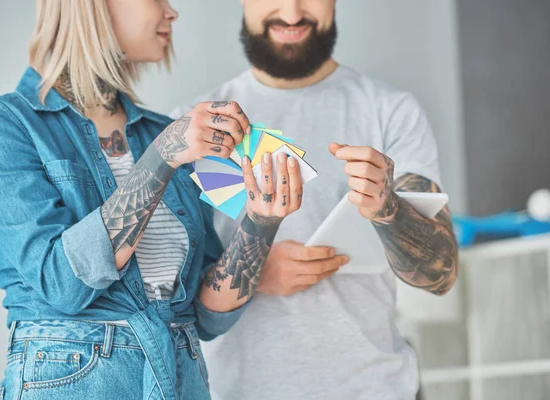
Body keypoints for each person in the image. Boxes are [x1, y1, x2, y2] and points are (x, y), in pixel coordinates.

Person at [0, 1, 303, 399]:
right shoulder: (1, 123)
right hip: (74, 378)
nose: (172, 12)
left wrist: (260, 221)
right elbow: (61, 284)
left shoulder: (168, 131)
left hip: (181, 377)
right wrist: (163, 156)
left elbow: (207, 316)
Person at [170, 0, 459, 399]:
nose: (291, 13)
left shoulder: (391, 111)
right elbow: (169, 297)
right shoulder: (195, 126)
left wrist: (386, 209)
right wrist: (252, 270)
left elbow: (440, 275)